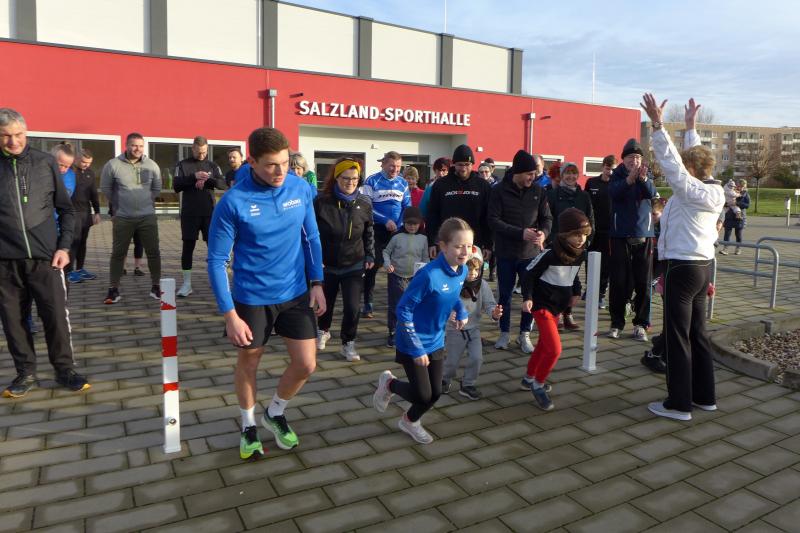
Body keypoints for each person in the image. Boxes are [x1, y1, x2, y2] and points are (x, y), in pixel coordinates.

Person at [207, 127, 325, 459]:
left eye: (285, 162)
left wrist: (317, 282)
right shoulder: (233, 202)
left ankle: (274, 413)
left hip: (296, 292)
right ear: (252, 162)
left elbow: (311, 237)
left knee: (306, 364)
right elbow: (216, 261)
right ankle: (248, 425)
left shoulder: (300, 188)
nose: (280, 171)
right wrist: (230, 315)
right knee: (250, 360)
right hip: (252, 297)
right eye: (272, 164)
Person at [640, 93, 724, 421]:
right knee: (697, 334)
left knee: (677, 336)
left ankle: (678, 404)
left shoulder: (690, 190)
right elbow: (693, 160)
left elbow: (674, 164)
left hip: (682, 268)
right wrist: (690, 128)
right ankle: (704, 397)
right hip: (702, 268)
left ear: (692, 170)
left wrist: (658, 125)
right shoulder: (711, 188)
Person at [0, 107, 90, 398]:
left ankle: (65, 370)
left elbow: (66, 210)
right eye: (5, 136)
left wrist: (64, 247)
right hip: (6, 261)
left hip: (47, 258)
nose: (13, 141)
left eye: (18, 134)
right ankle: (25, 373)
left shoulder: (45, 162)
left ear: (26, 132)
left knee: (55, 317)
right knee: (13, 321)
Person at [372, 218, 471, 444]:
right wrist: (416, 348)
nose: (465, 252)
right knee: (423, 394)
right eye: (458, 246)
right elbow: (403, 309)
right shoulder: (428, 275)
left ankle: (409, 421)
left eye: (468, 245)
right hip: (411, 341)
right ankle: (389, 384)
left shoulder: (462, 269)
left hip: (436, 340)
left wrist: (461, 310)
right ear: (443, 246)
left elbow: (452, 294)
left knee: (436, 393)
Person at [520, 208, 592, 410]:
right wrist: (527, 298)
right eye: (576, 234)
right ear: (564, 234)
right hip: (542, 306)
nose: (581, 239)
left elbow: (574, 275)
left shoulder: (580, 254)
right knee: (554, 349)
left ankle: (528, 378)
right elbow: (528, 274)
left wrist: (576, 291)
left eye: (584, 235)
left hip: (557, 308)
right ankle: (538, 385)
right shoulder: (550, 254)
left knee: (544, 346)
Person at [487, 149, 552, 352]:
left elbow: (547, 218)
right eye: (529, 174)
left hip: (530, 255)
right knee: (505, 295)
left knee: (529, 296)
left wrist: (543, 234)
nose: (533, 177)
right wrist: (520, 233)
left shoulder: (539, 191)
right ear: (518, 172)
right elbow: (493, 220)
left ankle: (524, 334)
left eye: (534, 174)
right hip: (506, 253)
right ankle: (504, 332)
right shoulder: (498, 190)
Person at [314, 157, 374, 362]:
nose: (351, 182)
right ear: (336, 178)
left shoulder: (364, 202)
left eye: (355, 178)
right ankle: (323, 330)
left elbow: (369, 231)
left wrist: (370, 254)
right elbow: (312, 233)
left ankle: (348, 342)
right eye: (346, 178)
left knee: (352, 307)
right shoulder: (321, 201)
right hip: (327, 264)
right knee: (326, 304)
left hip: (354, 263)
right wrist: (314, 258)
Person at [100, 132, 163, 304]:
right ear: (126, 146)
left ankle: (156, 286)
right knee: (118, 253)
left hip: (147, 217)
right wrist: (119, 205)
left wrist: (146, 202)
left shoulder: (152, 165)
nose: (138, 149)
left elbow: (157, 188)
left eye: (141, 146)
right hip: (123, 217)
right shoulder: (113, 165)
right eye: (134, 145)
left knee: (154, 252)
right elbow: (106, 188)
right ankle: (113, 289)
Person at [607, 136, 657, 341]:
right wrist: (628, 180)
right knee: (618, 281)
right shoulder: (617, 175)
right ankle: (616, 323)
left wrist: (642, 180)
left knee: (644, 282)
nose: (634, 161)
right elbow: (613, 193)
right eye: (630, 157)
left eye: (637, 157)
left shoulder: (647, 174)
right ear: (624, 159)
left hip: (644, 234)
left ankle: (641, 324)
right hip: (619, 235)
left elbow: (652, 193)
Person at [442, 247, 502, 400]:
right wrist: (449, 314)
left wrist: (494, 313)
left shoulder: (483, 285)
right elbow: (442, 304)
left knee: (477, 358)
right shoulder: (452, 284)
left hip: (473, 329)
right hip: (454, 329)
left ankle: (468, 384)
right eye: (468, 269)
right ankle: (444, 380)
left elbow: (489, 304)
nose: (473, 273)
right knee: (451, 361)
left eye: (476, 269)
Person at [173, 136, 227, 297]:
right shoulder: (182, 165)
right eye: (198, 152)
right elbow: (176, 186)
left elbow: (222, 184)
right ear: (193, 148)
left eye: (204, 152)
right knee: (188, 247)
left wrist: (207, 180)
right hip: (189, 214)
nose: (201, 155)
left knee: (213, 248)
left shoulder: (213, 165)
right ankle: (187, 284)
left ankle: (217, 282)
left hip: (209, 213)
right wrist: (194, 177)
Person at [546, 162, 594, 330]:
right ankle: (557, 312)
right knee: (558, 280)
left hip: (577, 246)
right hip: (557, 244)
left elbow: (590, 218)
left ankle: (568, 313)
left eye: (574, 173)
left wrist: (588, 239)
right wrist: (550, 240)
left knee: (572, 279)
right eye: (567, 173)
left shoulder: (584, 196)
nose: (571, 177)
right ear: (561, 175)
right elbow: (548, 218)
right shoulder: (552, 195)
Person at [361, 151, 410, 318]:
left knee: (398, 268)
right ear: (383, 164)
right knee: (372, 266)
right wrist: (385, 220)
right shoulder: (372, 180)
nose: (395, 169)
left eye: (398, 166)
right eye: (392, 166)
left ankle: (398, 302)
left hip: (397, 230)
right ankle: (368, 303)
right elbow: (366, 207)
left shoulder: (403, 182)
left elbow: (407, 206)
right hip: (376, 230)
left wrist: (400, 224)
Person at [426, 145, 493, 262]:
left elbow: (487, 217)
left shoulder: (483, 185)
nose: (463, 168)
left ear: (472, 164)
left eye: (467, 164)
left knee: (472, 274)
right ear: (454, 164)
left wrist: (488, 244)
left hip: (474, 244)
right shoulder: (441, 184)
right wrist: (432, 242)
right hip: (448, 244)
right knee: (447, 273)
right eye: (460, 164)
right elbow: (433, 214)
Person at [383, 206, 429, 347]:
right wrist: (387, 264)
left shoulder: (423, 239)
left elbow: (425, 257)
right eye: (409, 223)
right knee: (396, 305)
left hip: (415, 278)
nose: (412, 226)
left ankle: (410, 331)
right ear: (404, 223)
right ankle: (393, 332)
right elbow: (386, 252)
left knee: (414, 305)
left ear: (420, 224)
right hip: (396, 275)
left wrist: (426, 271)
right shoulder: (396, 237)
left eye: (415, 224)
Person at [584, 155, 616, 308]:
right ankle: (590, 289)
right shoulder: (592, 183)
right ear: (603, 167)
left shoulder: (617, 184)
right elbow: (585, 205)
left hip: (609, 232)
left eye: (613, 169)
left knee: (606, 265)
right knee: (589, 261)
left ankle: (601, 293)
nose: (610, 172)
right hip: (592, 231)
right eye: (608, 168)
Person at [67, 148, 102, 282]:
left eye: (89, 163)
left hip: (86, 213)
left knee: (82, 242)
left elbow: (93, 193)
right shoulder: (69, 172)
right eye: (83, 162)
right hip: (72, 212)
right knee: (73, 242)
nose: (86, 165)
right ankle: (69, 272)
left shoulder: (90, 173)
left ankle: (79, 269)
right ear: (76, 159)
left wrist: (97, 212)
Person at [720, 179, 750, 255]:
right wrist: (726, 204)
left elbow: (747, 205)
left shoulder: (745, 194)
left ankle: (738, 248)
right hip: (729, 215)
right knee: (727, 233)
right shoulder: (730, 191)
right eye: (739, 186)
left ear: (745, 187)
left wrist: (737, 203)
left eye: (743, 186)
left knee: (738, 234)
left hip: (739, 216)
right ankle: (725, 248)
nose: (740, 188)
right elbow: (723, 200)